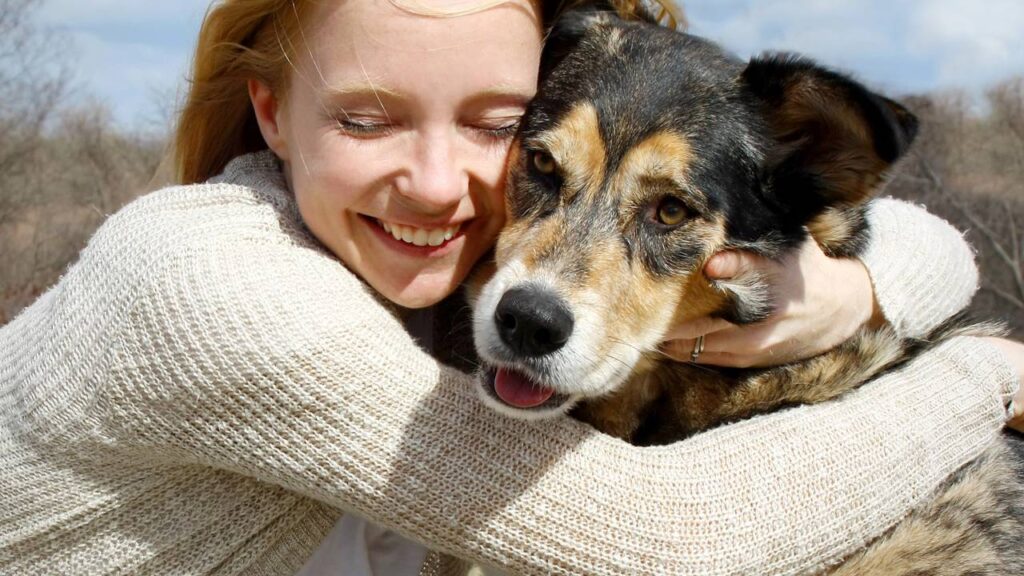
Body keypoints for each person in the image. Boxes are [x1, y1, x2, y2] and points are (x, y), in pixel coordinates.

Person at [1, 0, 1021, 574]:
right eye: (365, 120)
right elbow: (681, 537)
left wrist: (858, 292)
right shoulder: (214, 288)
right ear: (268, 113)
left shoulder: (413, 259)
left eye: (494, 127)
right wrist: (980, 377)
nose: (441, 183)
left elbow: (911, 230)